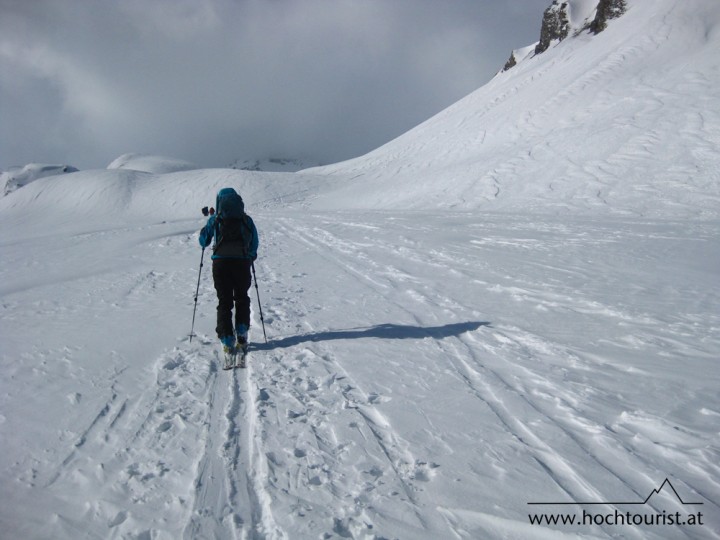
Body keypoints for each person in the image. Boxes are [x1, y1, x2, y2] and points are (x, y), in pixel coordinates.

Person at [199, 188, 259, 357]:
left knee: (224, 301)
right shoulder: (246, 219)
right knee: (242, 297)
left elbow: (203, 241)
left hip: (221, 263)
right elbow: (254, 241)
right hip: (241, 262)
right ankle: (241, 333)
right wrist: (251, 256)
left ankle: (226, 339)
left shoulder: (215, 219)